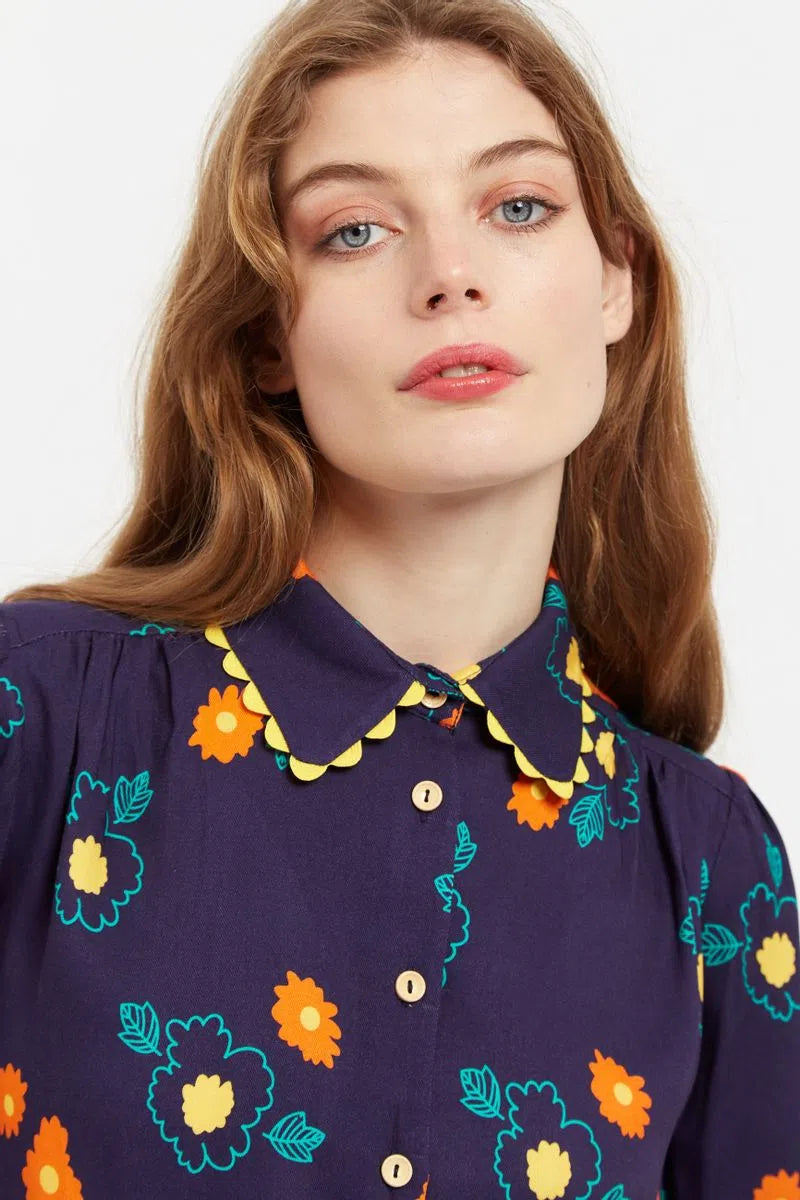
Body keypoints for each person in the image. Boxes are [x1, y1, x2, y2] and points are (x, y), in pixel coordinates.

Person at [1, 0, 798, 1195]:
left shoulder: (707, 859)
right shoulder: (39, 720)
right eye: (355, 230)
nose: (448, 278)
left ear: (614, 283)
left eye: (516, 207)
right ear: (266, 335)